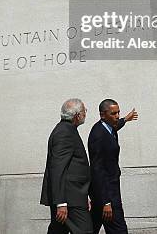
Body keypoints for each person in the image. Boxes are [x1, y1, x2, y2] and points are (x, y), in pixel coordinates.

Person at [41, 98, 93, 234]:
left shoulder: (68, 129)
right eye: (84, 111)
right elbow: (57, 168)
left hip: (72, 196)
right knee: (85, 230)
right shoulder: (64, 132)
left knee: (58, 230)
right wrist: (61, 203)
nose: (85, 113)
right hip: (69, 199)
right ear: (77, 115)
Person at [88, 99, 138, 234]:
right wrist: (106, 202)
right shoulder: (98, 135)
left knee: (91, 229)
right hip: (108, 194)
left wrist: (125, 119)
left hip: (103, 193)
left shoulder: (107, 127)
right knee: (119, 229)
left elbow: (115, 126)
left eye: (118, 113)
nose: (117, 116)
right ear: (102, 115)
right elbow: (97, 170)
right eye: (113, 113)